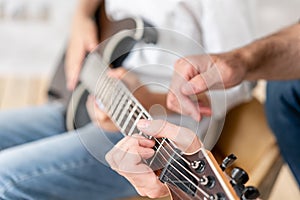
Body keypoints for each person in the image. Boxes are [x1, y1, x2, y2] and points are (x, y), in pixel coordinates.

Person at [0, 0, 256, 199]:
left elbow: (240, 82)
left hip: (152, 141)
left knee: (5, 182)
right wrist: (81, 18)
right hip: (86, 96)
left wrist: (151, 98)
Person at [106, 22, 300, 199]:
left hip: (173, 128)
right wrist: (240, 60)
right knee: (280, 91)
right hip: (129, 115)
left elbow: (238, 90)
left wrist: (153, 100)